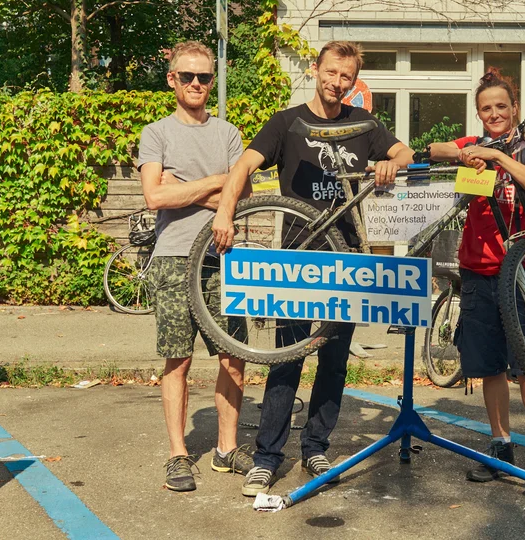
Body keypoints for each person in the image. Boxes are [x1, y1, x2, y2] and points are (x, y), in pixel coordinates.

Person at [211, 40, 414, 497]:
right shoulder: (288, 123)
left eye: (346, 77)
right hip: (296, 263)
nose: (337, 84)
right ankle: (267, 457)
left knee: (334, 362)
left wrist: (388, 162)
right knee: (287, 360)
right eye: (331, 73)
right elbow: (244, 164)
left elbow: (406, 154)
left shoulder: (364, 125)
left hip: (347, 264)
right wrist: (225, 212)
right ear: (315, 69)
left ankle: (316, 446)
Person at [428, 71, 525, 489]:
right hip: (477, 270)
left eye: (501, 106)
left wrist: (500, 158)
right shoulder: (475, 146)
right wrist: (462, 153)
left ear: (514, 109)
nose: (495, 114)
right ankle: (501, 445)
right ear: (479, 114)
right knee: (489, 368)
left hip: (522, 272)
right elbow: (435, 148)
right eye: (486, 108)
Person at [137, 41, 253, 492]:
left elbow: (241, 197)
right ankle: (178, 455)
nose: (197, 84)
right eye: (188, 77)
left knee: (234, 356)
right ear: (172, 80)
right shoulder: (157, 133)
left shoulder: (228, 135)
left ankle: (226, 450)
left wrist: (184, 185)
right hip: (172, 258)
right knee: (177, 359)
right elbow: (154, 197)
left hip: (223, 258)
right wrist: (217, 184)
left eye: (205, 77)